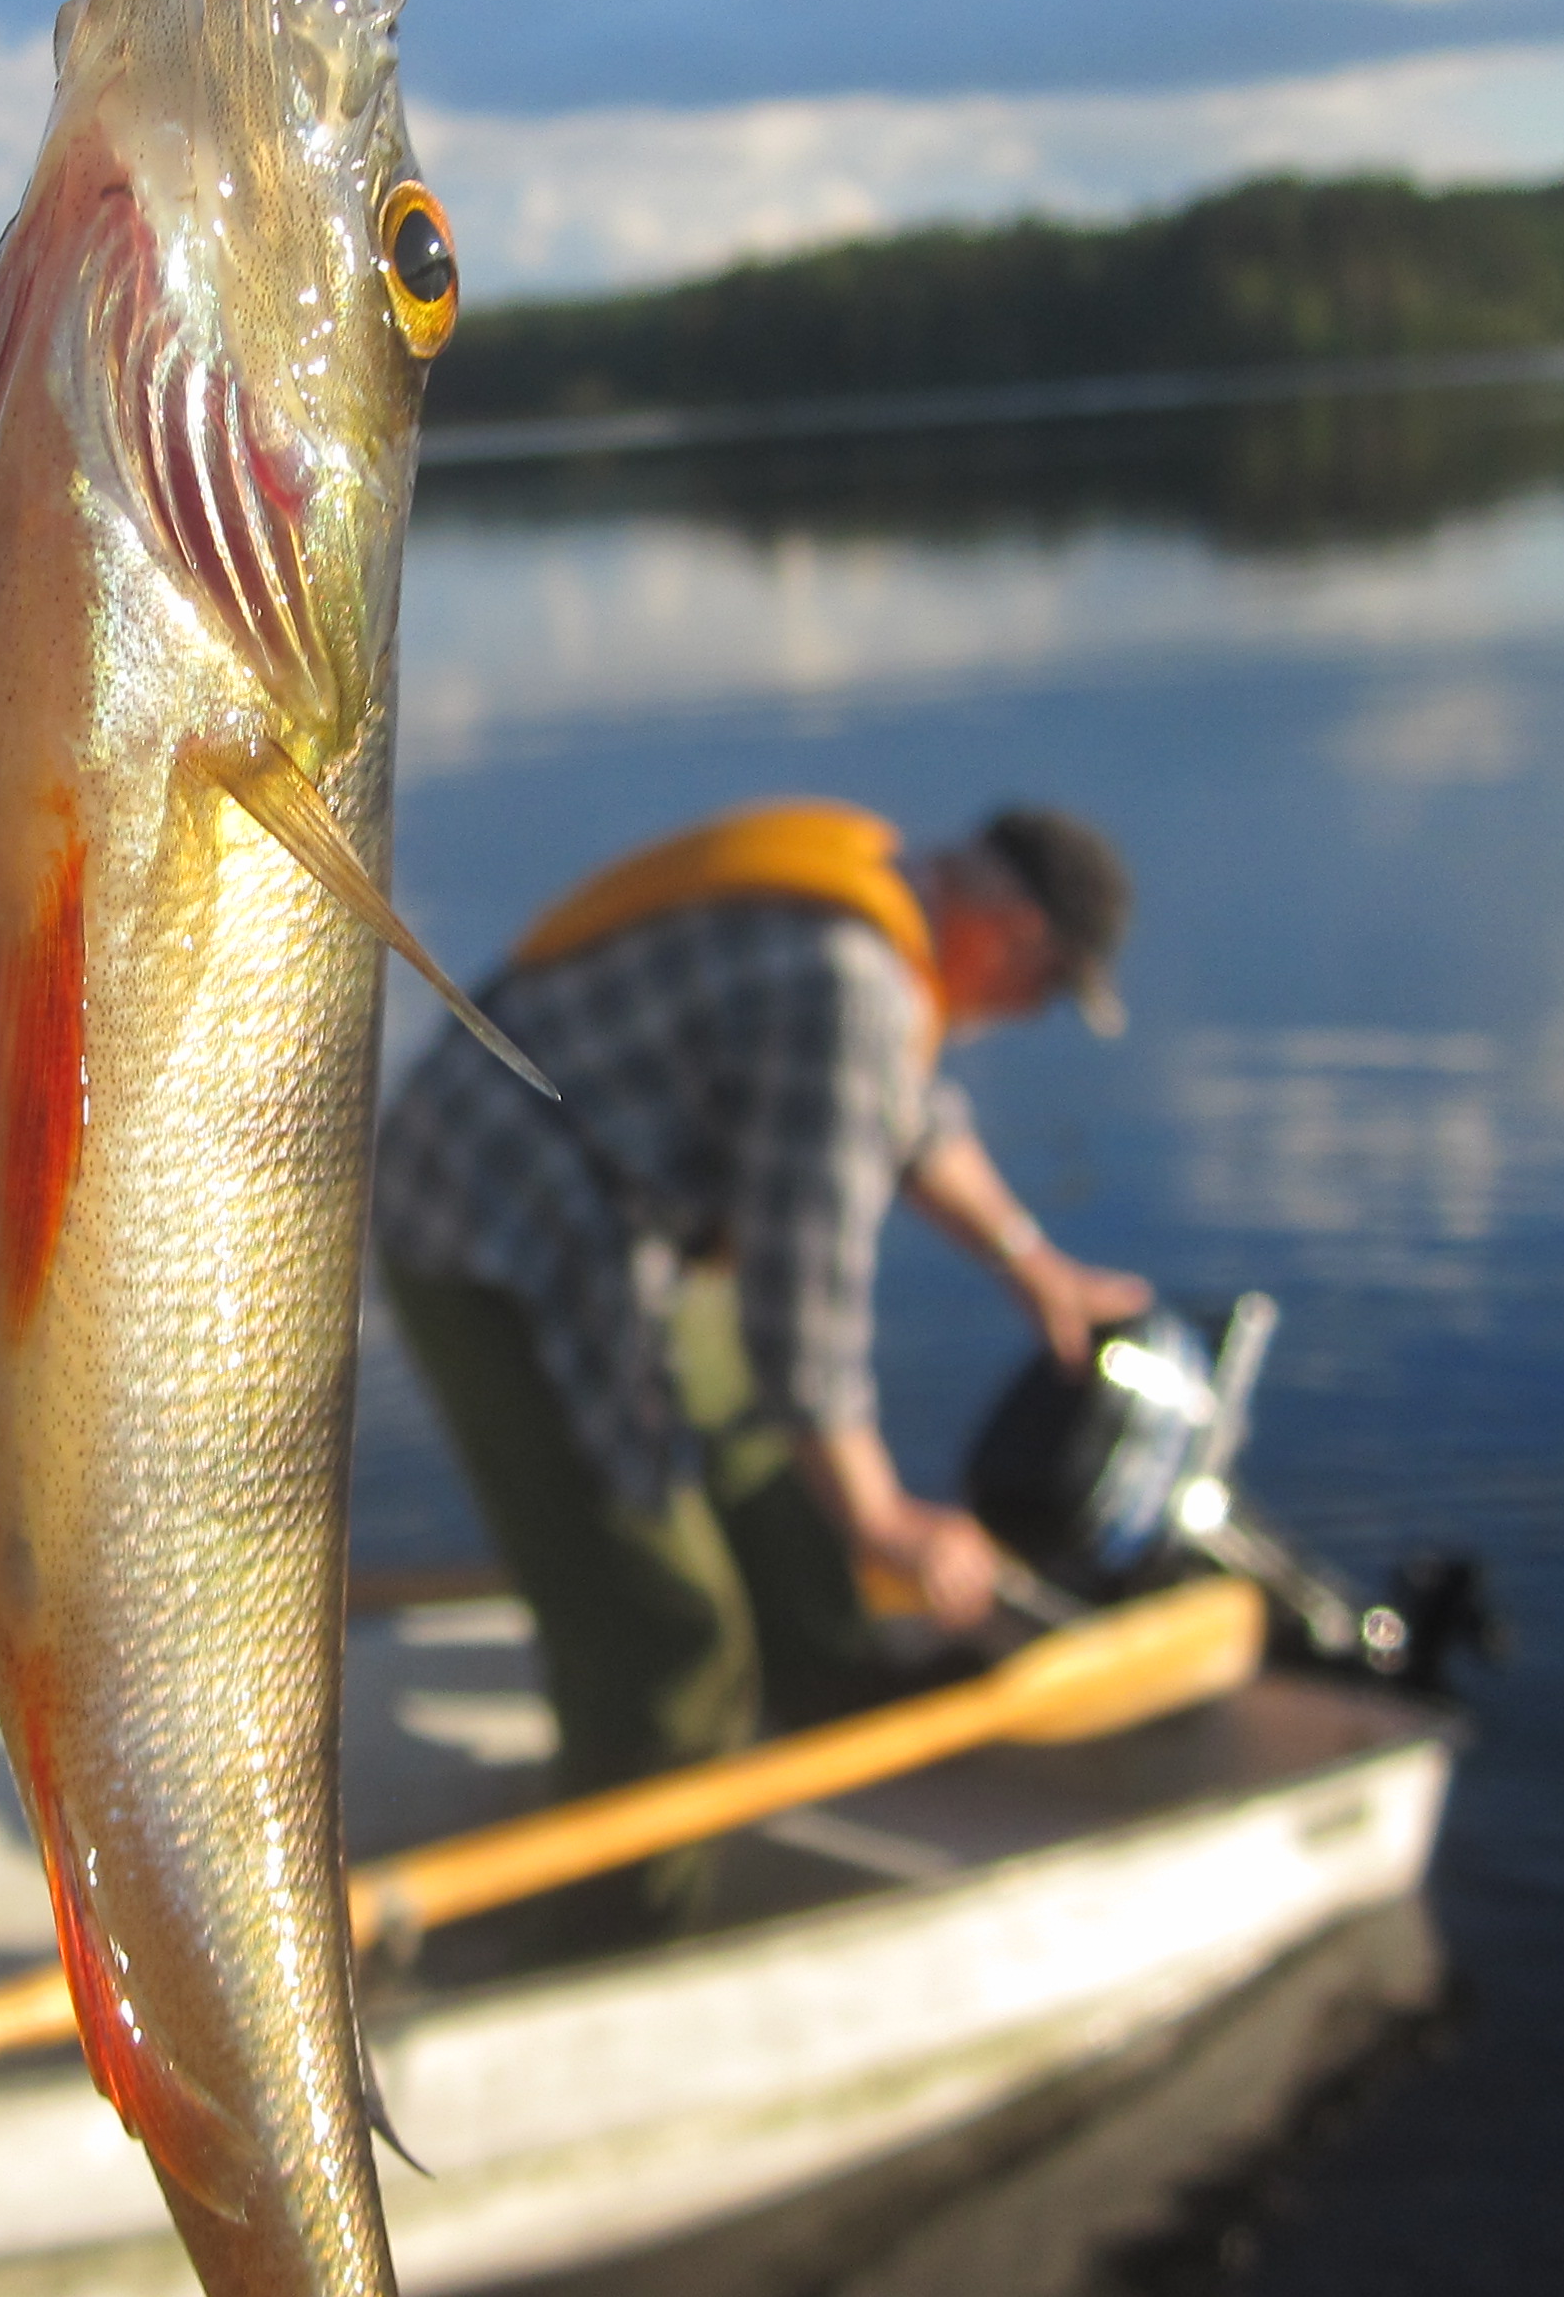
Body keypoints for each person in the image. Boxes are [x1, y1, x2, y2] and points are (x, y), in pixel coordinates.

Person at [371, 798, 1152, 1934]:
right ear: (1014, 932)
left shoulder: (880, 915)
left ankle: (824, 1679)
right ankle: (614, 1936)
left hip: (603, 1211)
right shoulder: (852, 986)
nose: (1023, 1014)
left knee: (763, 1466)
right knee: (669, 1628)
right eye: (1044, 989)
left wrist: (1034, 1267)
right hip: (501, 1235)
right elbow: (802, 1301)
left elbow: (913, 1119)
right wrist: (887, 1521)